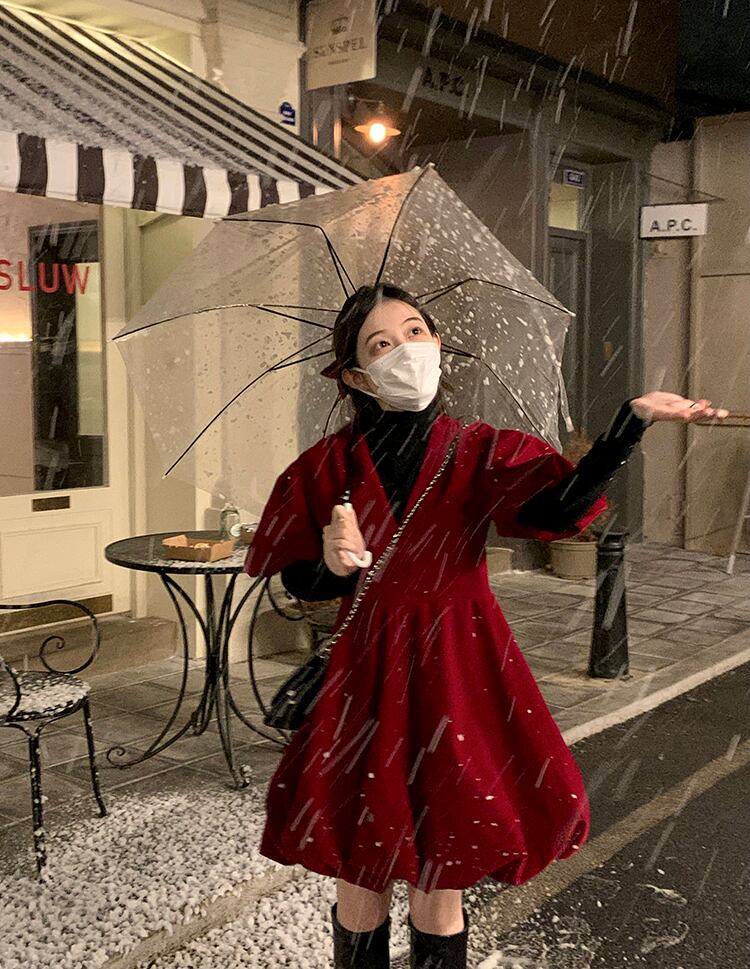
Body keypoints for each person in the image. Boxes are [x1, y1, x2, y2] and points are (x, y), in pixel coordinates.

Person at [244, 284, 727, 969]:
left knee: (443, 865)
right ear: (355, 376)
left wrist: (630, 423)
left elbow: (558, 510)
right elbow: (298, 580)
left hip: (456, 662)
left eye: (416, 331)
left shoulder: (477, 449)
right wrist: (331, 562)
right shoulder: (327, 467)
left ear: (438, 343)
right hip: (366, 667)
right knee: (361, 867)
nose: (406, 350)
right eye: (381, 344)